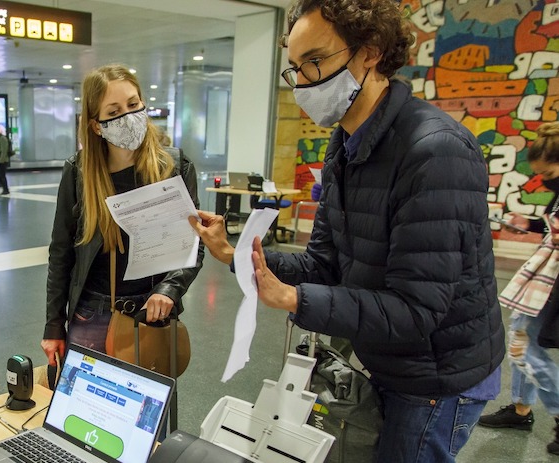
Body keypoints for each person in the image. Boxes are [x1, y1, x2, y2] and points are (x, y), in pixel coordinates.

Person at [189, 1, 503, 461]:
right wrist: (235, 253)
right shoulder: (346, 144)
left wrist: (296, 300)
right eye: (295, 68)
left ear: (370, 52)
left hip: (436, 375)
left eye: (315, 62)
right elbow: (323, 262)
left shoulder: (435, 152)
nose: (303, 82)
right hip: (386, 360)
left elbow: (416, 311)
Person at [41, 64, 204, 370]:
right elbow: (60, 253)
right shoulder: (79, 174)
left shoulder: (175, 167)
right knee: (87, 413)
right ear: (96, 125)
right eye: (114, 111)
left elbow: (194, 242)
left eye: (133, 104)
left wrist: (169, 290)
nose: (128, 117)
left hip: (151, 316)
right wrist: (53, 326)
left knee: (146, 415)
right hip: (92, 314)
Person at [478, 122, 559, 456]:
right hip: (545, 274)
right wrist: (532, 223)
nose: (546, 179)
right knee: (521, 335)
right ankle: (522, 409)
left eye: (549, 172)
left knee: (524, 347)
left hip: (553, 280)